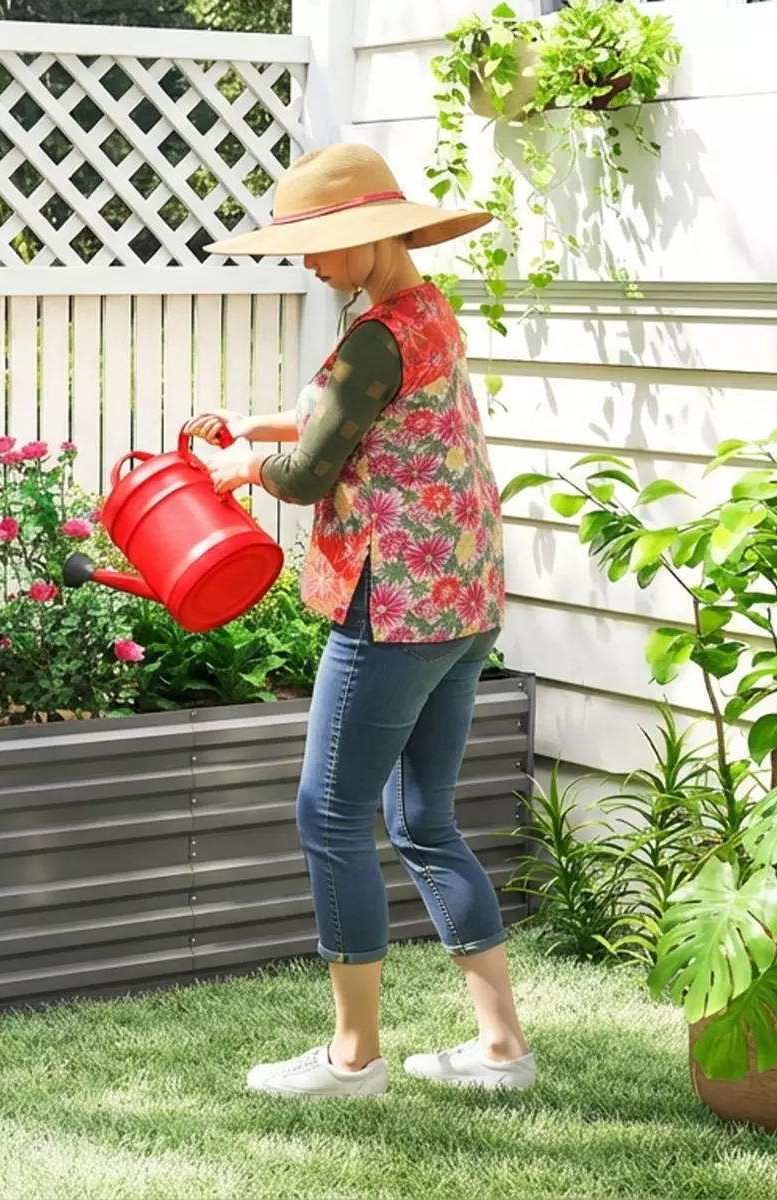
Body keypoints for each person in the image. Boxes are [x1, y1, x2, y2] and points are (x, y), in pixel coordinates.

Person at [190, 143, 533, 1098]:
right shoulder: (423, 315)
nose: (305, 260)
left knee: (329, 814)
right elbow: (358, 417)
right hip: (463, 598)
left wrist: (245, 471)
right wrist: (260, 427)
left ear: (368, 238)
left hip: (394, 603)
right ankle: (501, 1051)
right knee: (422, 816)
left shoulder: (376, 334)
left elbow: (310, 474)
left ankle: (353, 1059)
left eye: (316, 244)